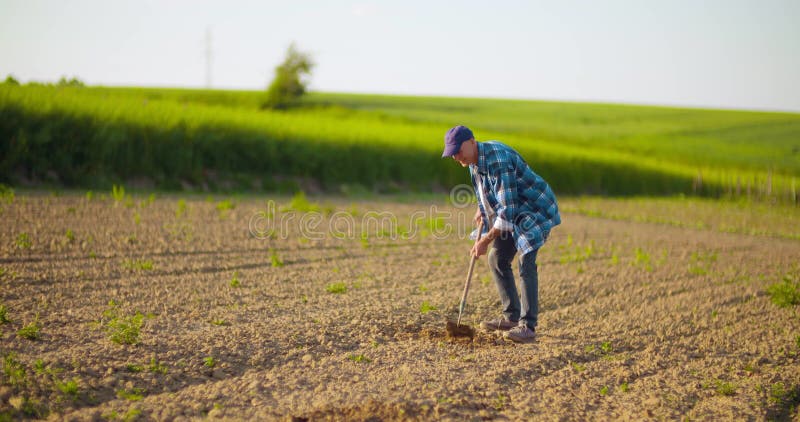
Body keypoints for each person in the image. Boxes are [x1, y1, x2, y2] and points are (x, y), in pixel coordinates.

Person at [442, 125, 561, 343]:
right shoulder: (472, 162)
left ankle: (528, 326)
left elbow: (508, 212)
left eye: (458, 151)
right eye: (452, 153)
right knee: (498, 258)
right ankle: (511, 317)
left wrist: (485, 240)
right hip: (514, 209)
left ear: (471, 142)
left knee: (526, 260)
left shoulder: (498, 160)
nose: (456, 157)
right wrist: (482, 207)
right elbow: (487, 193)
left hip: (534, 210)